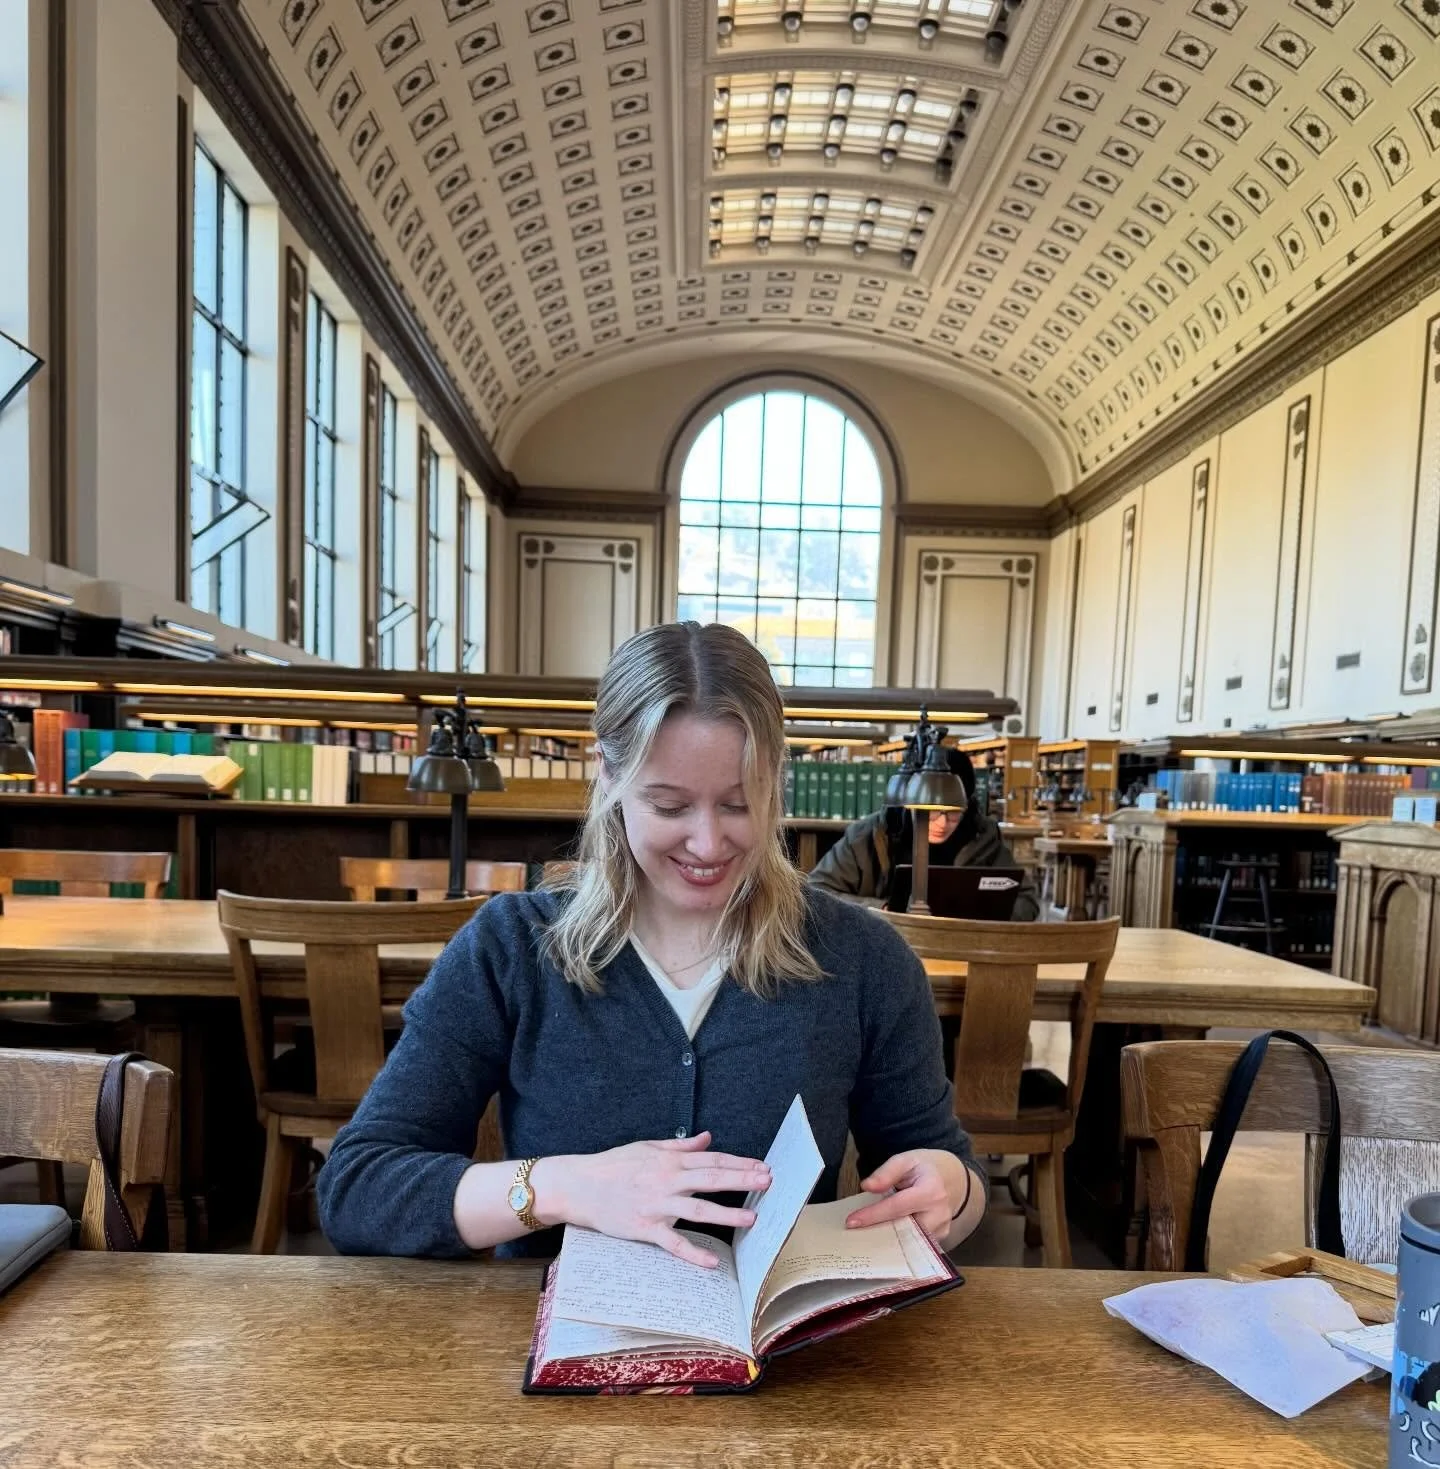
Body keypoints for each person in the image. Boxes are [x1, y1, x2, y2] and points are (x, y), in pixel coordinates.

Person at [318, 622, 986, 1267]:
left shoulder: (865, 960)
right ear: (607, 773)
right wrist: (562, 1187)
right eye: (668, 805)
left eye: (738, 802)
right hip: (555, 1364)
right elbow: (357, 1186)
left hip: (792, 1371)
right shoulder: (511, 949)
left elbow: (950, 1174)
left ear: (776, 778)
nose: (707, 842)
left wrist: (950, 1189)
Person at [809, 746, 1040, 920]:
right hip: (882, 944)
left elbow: (1027, 902)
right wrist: (883, 910)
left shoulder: (983, 837)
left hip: (960, 951)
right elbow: (817, 891)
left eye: (953, 813)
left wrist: (971, 912)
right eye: (930, 813)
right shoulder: (868, 836)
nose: (942, 823)